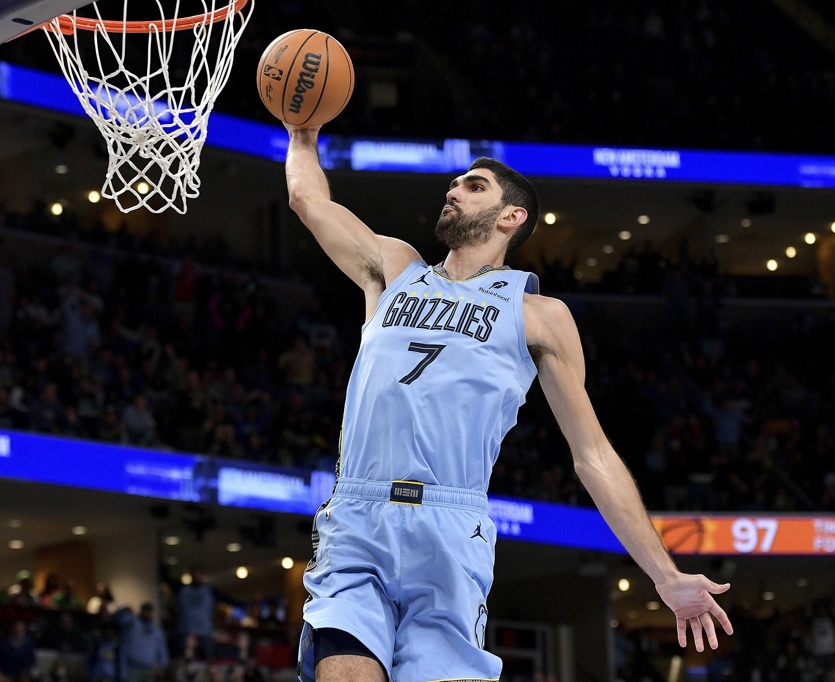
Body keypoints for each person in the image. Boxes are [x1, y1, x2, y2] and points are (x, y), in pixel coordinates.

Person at [283, 124, 733, 682]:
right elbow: (307, 199)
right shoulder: (395, 267)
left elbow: (592, 454)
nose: (453, 190)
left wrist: (665, 575)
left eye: (473, 186)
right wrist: (302, 133)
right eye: (454, 183)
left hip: (452, 522)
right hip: (358, 513)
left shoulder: (538, 314)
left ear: (511, 216)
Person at [117, 602, 169, 682]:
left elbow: (162, 649)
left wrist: (163, 665)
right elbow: (120, 620)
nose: (147, 613)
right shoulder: (132, 623)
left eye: (149, 611)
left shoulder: (156, 631)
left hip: (150, 669)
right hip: (133, 667)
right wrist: (124, 610)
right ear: (141, 611)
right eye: (146, 611)